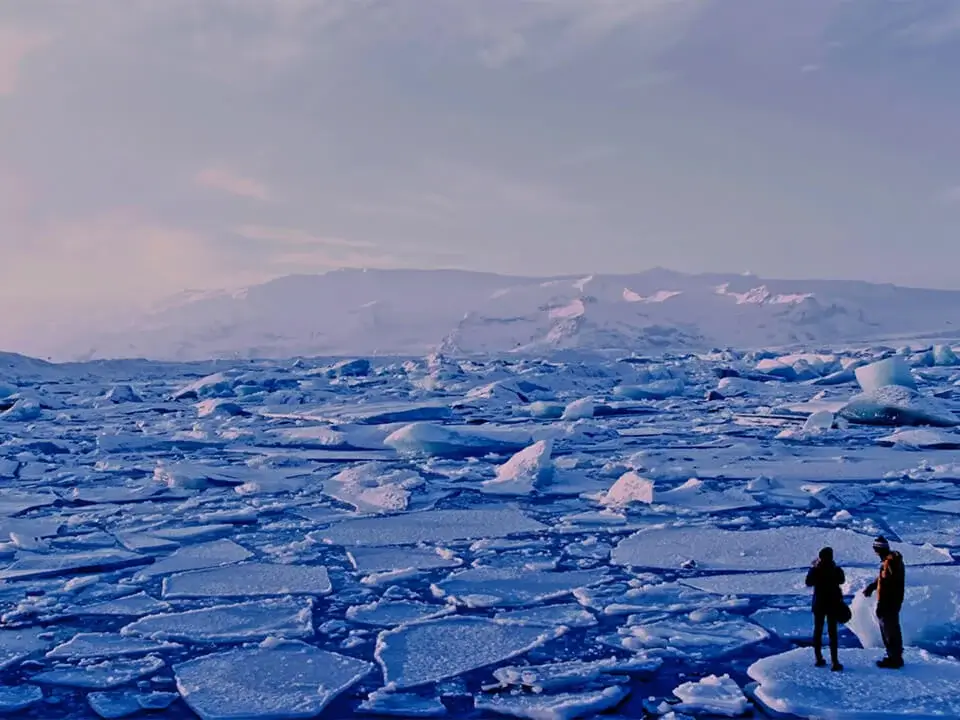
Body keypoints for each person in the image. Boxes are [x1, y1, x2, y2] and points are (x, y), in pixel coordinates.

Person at [863, 535, 905, 669]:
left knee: (889, 629)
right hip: (892, 600)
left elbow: (889, 580)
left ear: (877, 550)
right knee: (891, 628)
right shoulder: (891, 561)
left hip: (888, 602)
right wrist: (872, 586)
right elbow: (884, 578)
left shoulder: (890, 562)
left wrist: (883, 601)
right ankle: (895, 656)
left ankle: (894, 659)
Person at [805, 546, 845, 671]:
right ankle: (835, 661)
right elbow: (842, 580)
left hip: (819, 605)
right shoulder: (836, 569)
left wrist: (814, 568)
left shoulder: (817, 570)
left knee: (818, 631)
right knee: (833, 633)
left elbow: (808, 582)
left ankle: (818, 658)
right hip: (832, 604)